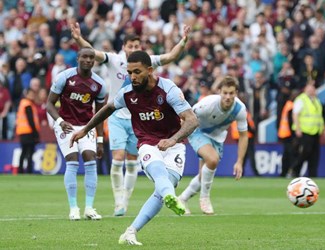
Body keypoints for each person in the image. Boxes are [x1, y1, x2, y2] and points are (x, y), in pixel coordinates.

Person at [70, 51, 198, 246]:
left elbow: (192, 120)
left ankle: (131, 231)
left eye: (137, 72)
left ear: (150, 70)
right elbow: (108, 109)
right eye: (130, 72)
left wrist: (173, 140)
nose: (133, 77)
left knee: (162, 189)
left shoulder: (168, 89)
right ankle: (171, 196)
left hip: (174, 145)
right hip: (147, 143)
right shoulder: (128, 92)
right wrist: (85, 129)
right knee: (161, 179)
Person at [46, 47, 107, 221]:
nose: (88, 60)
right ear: (78, 58)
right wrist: (59, 122)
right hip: (65, 125)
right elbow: (49, 104)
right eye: (85, 57)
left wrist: (100, 140)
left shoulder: (99, 84)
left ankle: (89, 207)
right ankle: (73, 208)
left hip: (86, 127)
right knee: (72, 160)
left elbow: (100, 115)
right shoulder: (64, 77)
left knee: (90, 159)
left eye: (91, 57)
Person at [178, 76, 248, 215]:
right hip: (197, 131)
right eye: (225, 93)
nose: (228, 97)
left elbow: (244, 135)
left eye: (231, 93)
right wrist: (177, 138)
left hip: (217, 137)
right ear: (219, 92)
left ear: (236, 93)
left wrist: (239, 161)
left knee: (203, 175)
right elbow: (187, 118)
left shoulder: (240, 109)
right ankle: (205, 199)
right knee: (213, 160)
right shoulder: (207, 104)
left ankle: (182, 199)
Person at [291, 84, 325, 177]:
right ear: (305, 90)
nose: (311, 91)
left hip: (315, 131)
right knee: (304, 153)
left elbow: (319, 116)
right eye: (309, 89)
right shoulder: (301, 99)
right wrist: (298, 129)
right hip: (304, 131)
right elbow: (295, 114)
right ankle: (295, 170)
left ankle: (313, 175)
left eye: (313, 89)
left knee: (315, 155)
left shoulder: (316, 100)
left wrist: (323, 128)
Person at [15, 88, 40, 174]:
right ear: (26, 94)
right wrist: (35, 133)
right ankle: (29, 170)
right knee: (29, 152)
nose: (32, 96)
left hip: (23, 131)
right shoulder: (27, 104)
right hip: (28, 132)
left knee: (24, 151)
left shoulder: (23, 103)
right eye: (31, 94)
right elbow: (30, 120)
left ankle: (20, 170)